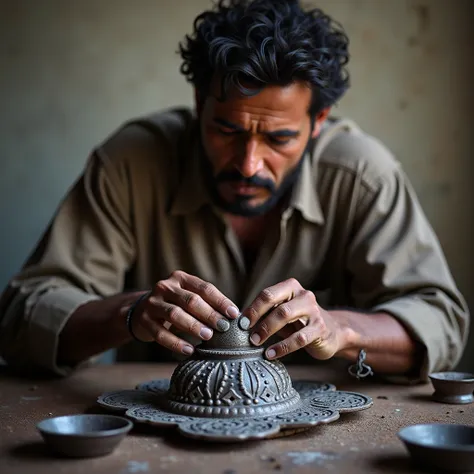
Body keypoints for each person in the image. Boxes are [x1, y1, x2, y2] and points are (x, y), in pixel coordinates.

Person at [0, 0, 468, 382]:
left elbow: (439, 321)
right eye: (226, 130)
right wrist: (130, 312)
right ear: (200, 104)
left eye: (279, 139)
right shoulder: (132, 163)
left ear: (318, 123)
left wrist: (341, 328)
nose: (248, 164)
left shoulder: (363, 175)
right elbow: (22, 318)